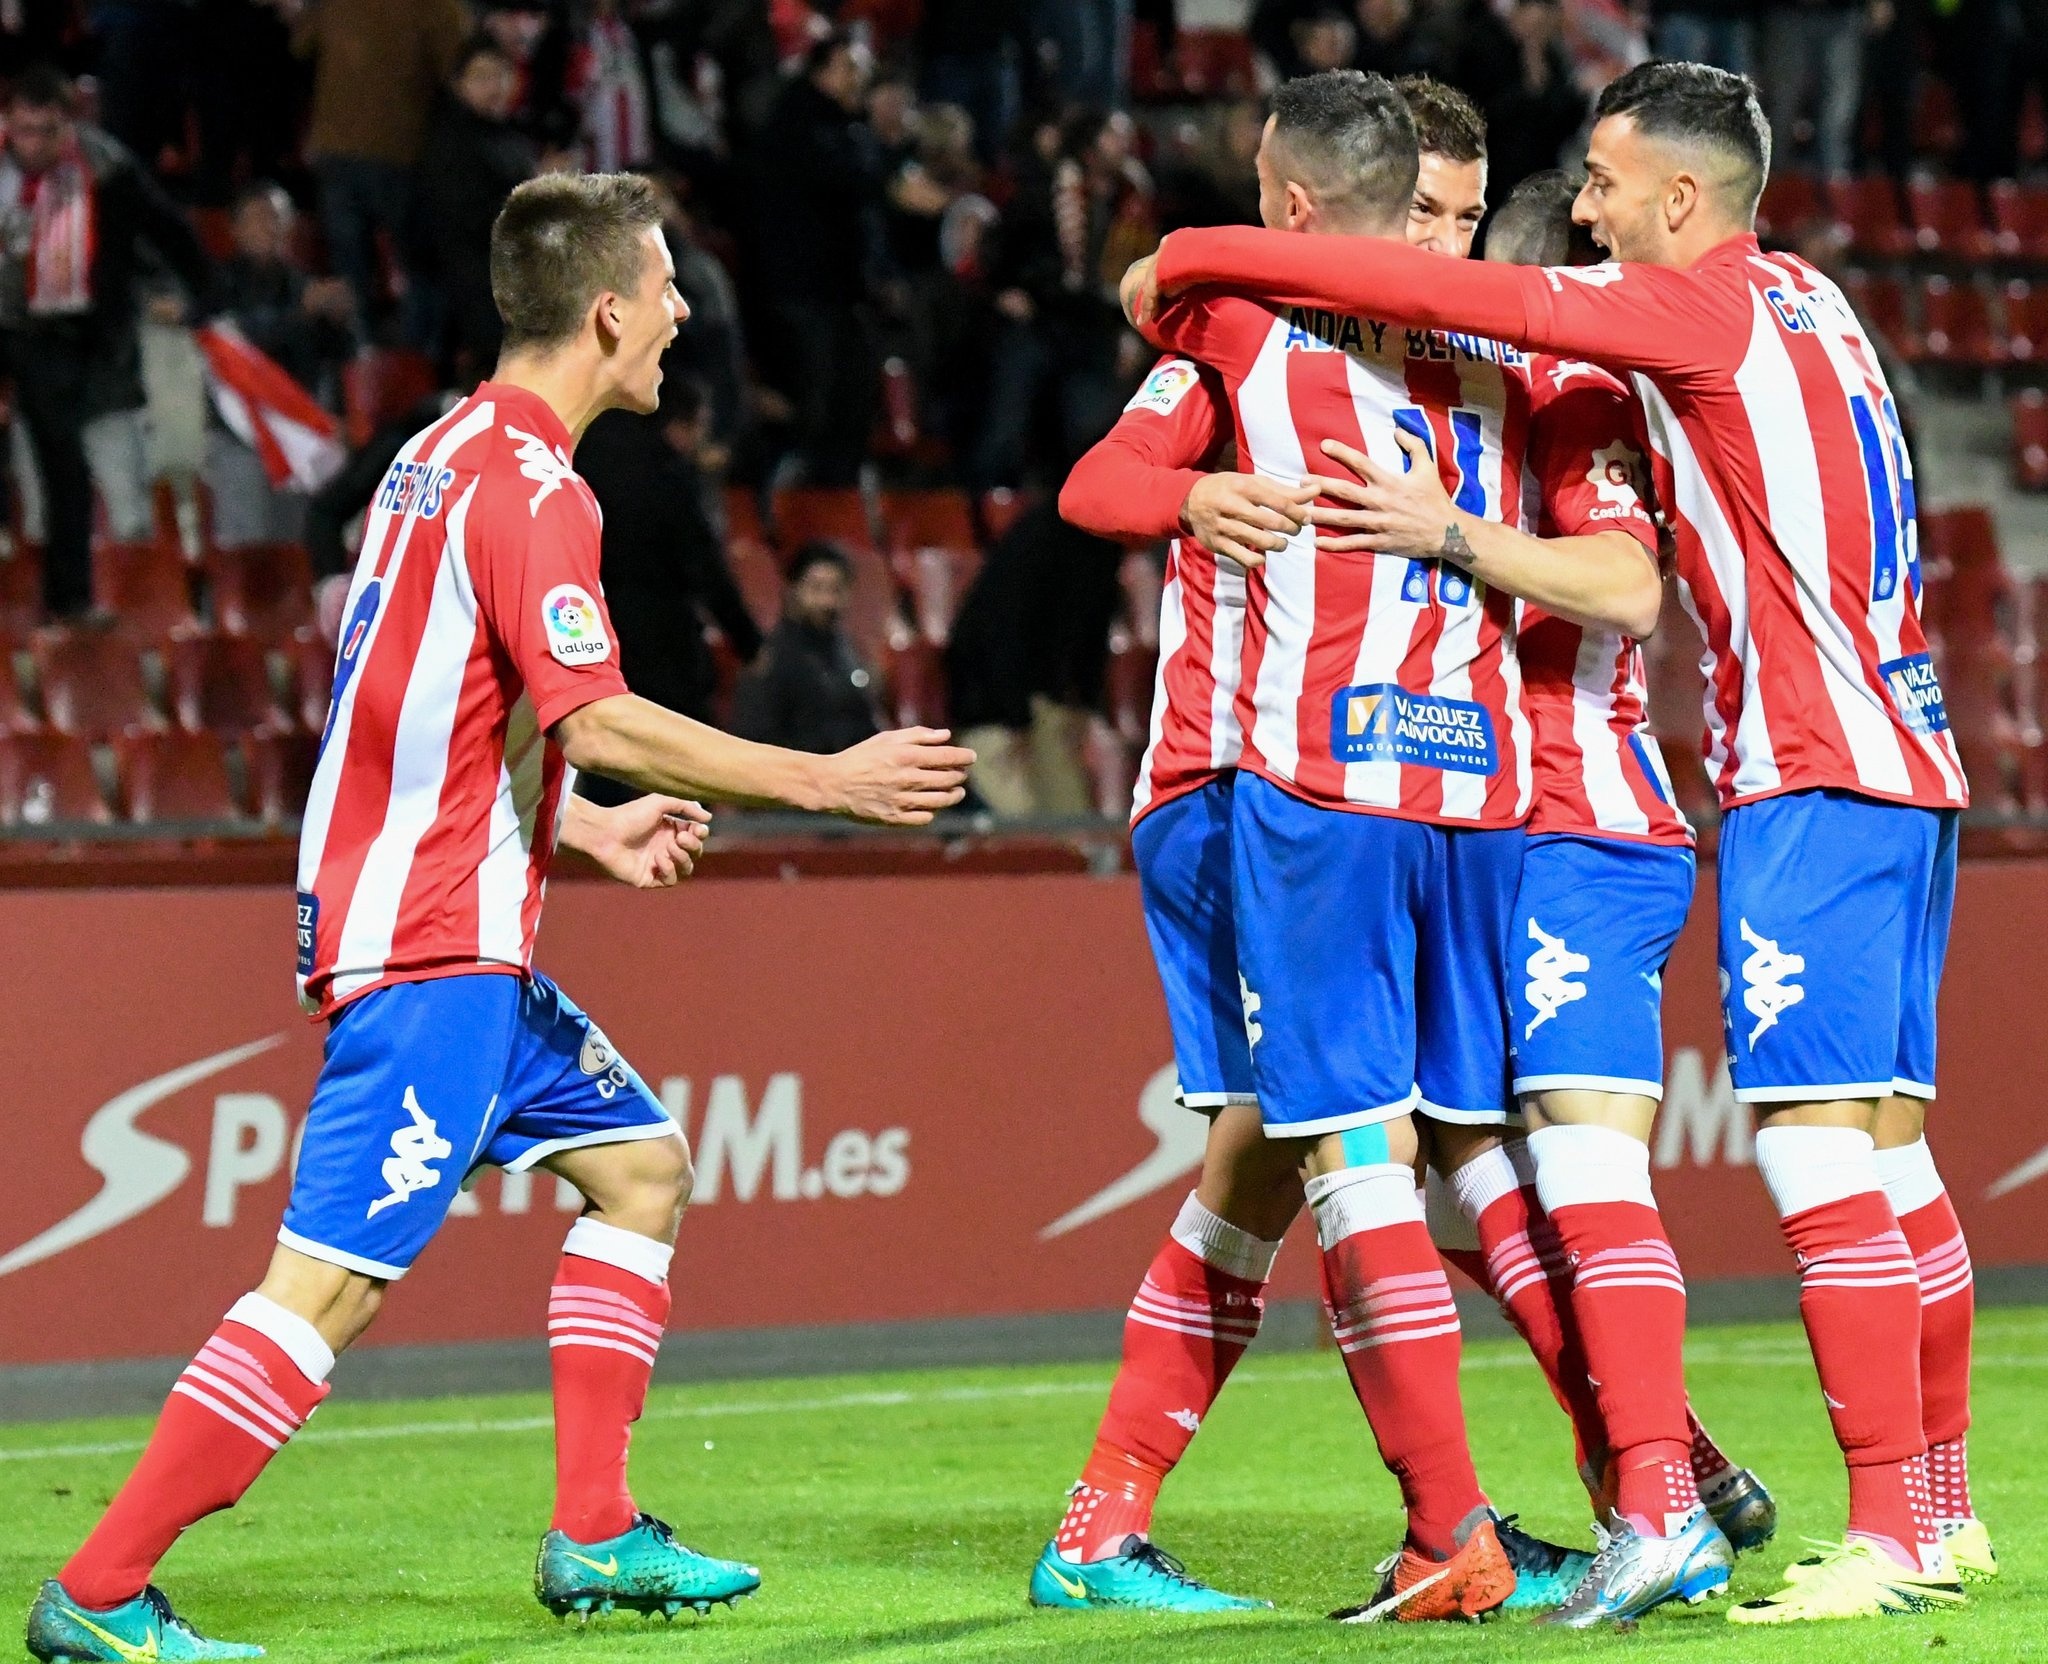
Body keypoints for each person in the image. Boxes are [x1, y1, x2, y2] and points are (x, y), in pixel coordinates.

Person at [24, 170, 973, 1664]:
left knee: (644, 1172)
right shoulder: (539, 489)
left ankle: (594, 1532)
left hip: (448, 918)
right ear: (607, 309)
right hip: (432, 952)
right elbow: (591, 714)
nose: (678, 315)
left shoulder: (437, 456)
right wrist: (828, 780)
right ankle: (96, 1591)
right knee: (320, 1293)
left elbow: (418, 706)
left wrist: (572, 828)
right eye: (665, 290)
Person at [1135, 58, 1988, 1625]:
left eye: (1602, 187)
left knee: (1741, 1152)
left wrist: (1205, 254)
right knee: (1876, 1154)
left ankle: (1818, 1519)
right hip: (1891, 754)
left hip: (1768, 774)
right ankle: (1919, 1503)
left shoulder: (1674, 318)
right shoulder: (1812, 299)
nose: (1585, 214)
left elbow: (1564, 428)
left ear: (1677, 200)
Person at [1042, 68, 1586, 1624]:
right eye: (1424, 210)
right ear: (1358, 195)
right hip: (1238, 779)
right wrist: (1203, 491)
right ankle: (1539, 1502)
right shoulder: (1256, 326)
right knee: (1348, 1155)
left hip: (1399, 785)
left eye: (1470, 217)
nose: (1445, 240)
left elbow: (1169, 271)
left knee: (1302, 1164)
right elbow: (1100, 472)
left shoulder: (1477, 339)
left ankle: (1122, 1523)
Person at [0, 63, 211, 621]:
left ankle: (69, 601)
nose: (34, 145)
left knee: (64, 463)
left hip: (62, 330)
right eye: (22, 130)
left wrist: (203, 296)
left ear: (67, 126)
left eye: (47, 131)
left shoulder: (105, 166)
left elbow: (168, 229)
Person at [573, 374, 761, 755]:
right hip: (663, 635)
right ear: (683, 424)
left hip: (598, 621)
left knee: (609, 746)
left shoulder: (593, 456)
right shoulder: (671, 478)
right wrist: (748, 640)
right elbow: (704, 566)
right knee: (689, 746)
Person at [287, 0, 467, 341]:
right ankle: (412, 366)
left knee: (353, 270)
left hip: (339, 149)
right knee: (415, 268)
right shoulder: (438, 8)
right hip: (398, 152)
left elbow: (301, 40)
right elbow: (457, 69)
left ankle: (364, 360)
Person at [201, 182, 357, 549]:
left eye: (276, 219)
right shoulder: (216, 284)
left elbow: (339, 357)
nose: (268, 228)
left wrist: (342, 319)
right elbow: (239, 344)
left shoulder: (303, 284)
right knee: (247, 549)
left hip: (298, 436)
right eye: (257, 219)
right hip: (240, 435)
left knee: (296, 549)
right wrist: (302, 314)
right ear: (235, 229)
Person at [416, 34, 540, 379]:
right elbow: (472, 217)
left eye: (501, 75)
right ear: (459, 84)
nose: (495, 86)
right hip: (476, 284)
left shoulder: (509, 134)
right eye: (482, 77)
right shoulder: (449, 143)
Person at [731, 543, 882, 757]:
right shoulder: (772, 658)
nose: (827, 601)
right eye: (817, 588)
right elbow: (756, 738)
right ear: (793, 590)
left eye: (836, 589)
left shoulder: (846, 650)